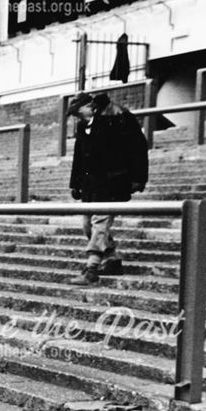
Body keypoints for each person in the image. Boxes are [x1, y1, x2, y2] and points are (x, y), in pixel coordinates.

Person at [66, 91, 149, 285]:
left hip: (114, 181)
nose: (77, 117)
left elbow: (138, 148)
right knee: (87, 224)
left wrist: (138, 178)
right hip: (91, 184)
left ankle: (92, 268)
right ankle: (112, 259)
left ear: (90, 106)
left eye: (78, 112)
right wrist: (75, 183)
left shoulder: (118, 117)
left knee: (100, 222)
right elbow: (79, 155)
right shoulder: (83, 126)